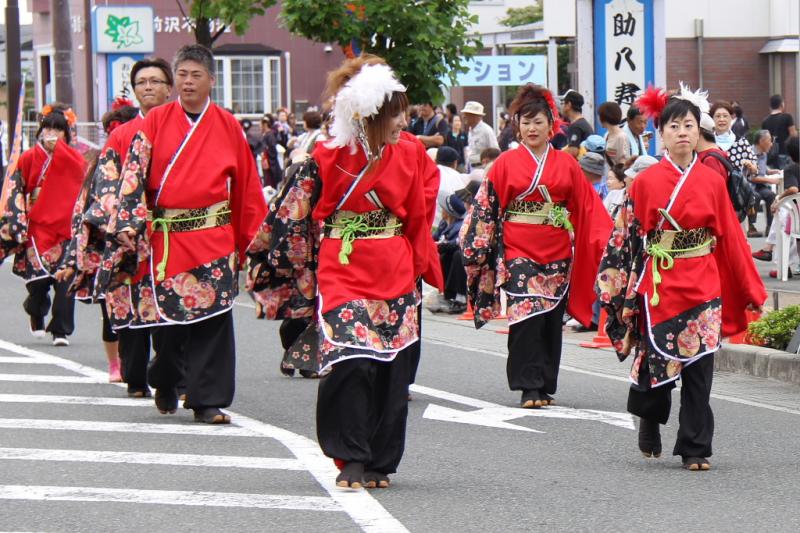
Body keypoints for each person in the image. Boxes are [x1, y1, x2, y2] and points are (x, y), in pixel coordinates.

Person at [248, 54, 436, 489]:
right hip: (344, 266)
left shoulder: (411, 154)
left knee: (392, 367)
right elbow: (294, 213)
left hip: (394, 265)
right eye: (394, 114)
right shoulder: (326, 155)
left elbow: (421, 216)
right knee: (351, 361)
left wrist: (419, 266)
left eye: (402, 112)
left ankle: (380, 461)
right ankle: (350, 456)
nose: (402, 122)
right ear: (367, 115)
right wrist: (295, 270)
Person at [596, 83, 766, 472]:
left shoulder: (710, 180)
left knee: (700, 368)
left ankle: (695, 447)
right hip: (659, 286)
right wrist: (618, 286)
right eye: (674, 126)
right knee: (656, 364)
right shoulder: (645, 183)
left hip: (703, 282)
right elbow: (625, 238)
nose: (682, 132)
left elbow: (731, 238)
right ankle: (649, 422)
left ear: (699, 129)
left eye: (689, 125)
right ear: (662, 134)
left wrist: (751, 287)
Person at [96, 44, 268, 424]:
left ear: (211, 80)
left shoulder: (228, 126)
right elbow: (133, 175)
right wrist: (127, 223)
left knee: (215, 319)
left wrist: (251, 241)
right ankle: (166, 376)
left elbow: (246, 189)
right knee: (171, 323)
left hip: (215, 235)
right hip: (167, 237)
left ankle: (208, 401)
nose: (189, 82)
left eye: (196, 75)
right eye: (183, 75)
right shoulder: (155, 121)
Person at [461, 83, 612, 408]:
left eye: (538, 122)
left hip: (556, 248)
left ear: (551, 126)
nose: (531, 128)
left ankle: (544, 383)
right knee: (526, 316)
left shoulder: (567, 163)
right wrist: (479, 244)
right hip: (518, 247)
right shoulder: (505, 163)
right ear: (517, 125)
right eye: (525, 122)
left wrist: (609, 240)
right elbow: (487, 206)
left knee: (548, 320)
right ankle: (528, 385)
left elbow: (587, 206)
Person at [58, 57, 178, 394]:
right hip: (128, 233)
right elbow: (106, 184)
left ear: (169, 88)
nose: (149, 87)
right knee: (130, 303)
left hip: (175, 232)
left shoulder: (183, 129)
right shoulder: (122, 135)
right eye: (142, 82)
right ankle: (136, 377)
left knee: (172, 305)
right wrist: (122, 221)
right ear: (135, 89)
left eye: (156, 81)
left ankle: (171, 377)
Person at [0, 106, 86, 346]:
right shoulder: (29, 157)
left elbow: (81, 177)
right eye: (48, 128)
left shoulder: (72, 157)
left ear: (66, 134)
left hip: (65, 224)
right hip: (37, 225)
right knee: (37, 281)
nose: (52, 133)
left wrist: (60, 152)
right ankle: (36, 311)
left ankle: (61, 330)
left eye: (58, 129)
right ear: (40, 131)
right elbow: (16, 188)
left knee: (65, 280)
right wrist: (16, 221)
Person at [751, 136, 800, 278]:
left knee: (783, 214)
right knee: (785, 216)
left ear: (790, 153)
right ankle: (772, 253)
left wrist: (778, 198)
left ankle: (778, 260)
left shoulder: (791, 168)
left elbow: (793, 190)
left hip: (796, 219)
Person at [427, 193, 467, 314]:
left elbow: (456, 244)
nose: (441, 210)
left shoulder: (459, 226)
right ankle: (445, 293)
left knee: (456, 255)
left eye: (444, 208)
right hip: (447, 253)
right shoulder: (444, 224)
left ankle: (459, 297)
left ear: (449, 212)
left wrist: (439, 245)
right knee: (443, 256)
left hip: (460, 258)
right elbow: (433, 238)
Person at [461, 101, 499, 168]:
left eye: (467, 114)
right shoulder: (470, 131)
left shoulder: (486, 131)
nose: (464, 116)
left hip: (483, 169)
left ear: (477, 116)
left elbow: (496, 153)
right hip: (471, 168)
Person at [761, 94, 797, 159]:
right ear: (782, 105)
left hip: (770, 156)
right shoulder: (787, 117)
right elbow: (793, 136)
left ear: (770, 106)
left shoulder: (765, 121)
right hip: (785, 154)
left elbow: (763, 140)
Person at [561, 90, 594, 158]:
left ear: (569, 105)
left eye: (564, 103)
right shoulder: (583, 123)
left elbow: (573, 152)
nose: (562, 106)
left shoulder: (576, 126)